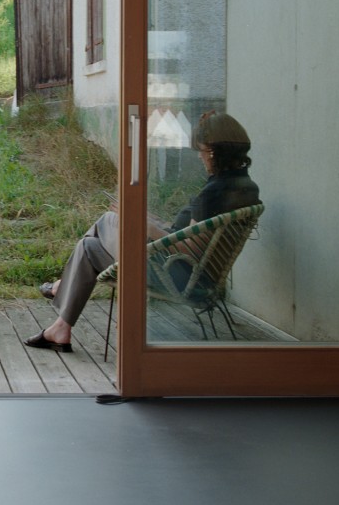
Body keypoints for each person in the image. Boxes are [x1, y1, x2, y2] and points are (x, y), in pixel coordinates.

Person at [25, 112, 260, 352]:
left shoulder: (215, 193)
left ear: (213, 151)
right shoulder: (242, 185)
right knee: (90, 246)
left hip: (174, 274)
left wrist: (148, 228)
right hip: (182, 267)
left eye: (200, 150)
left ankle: (61, 292)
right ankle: (60, 327)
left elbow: (190, 248)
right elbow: (192, 234)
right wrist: (152, 220)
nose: (199, 157)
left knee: (107, 220)